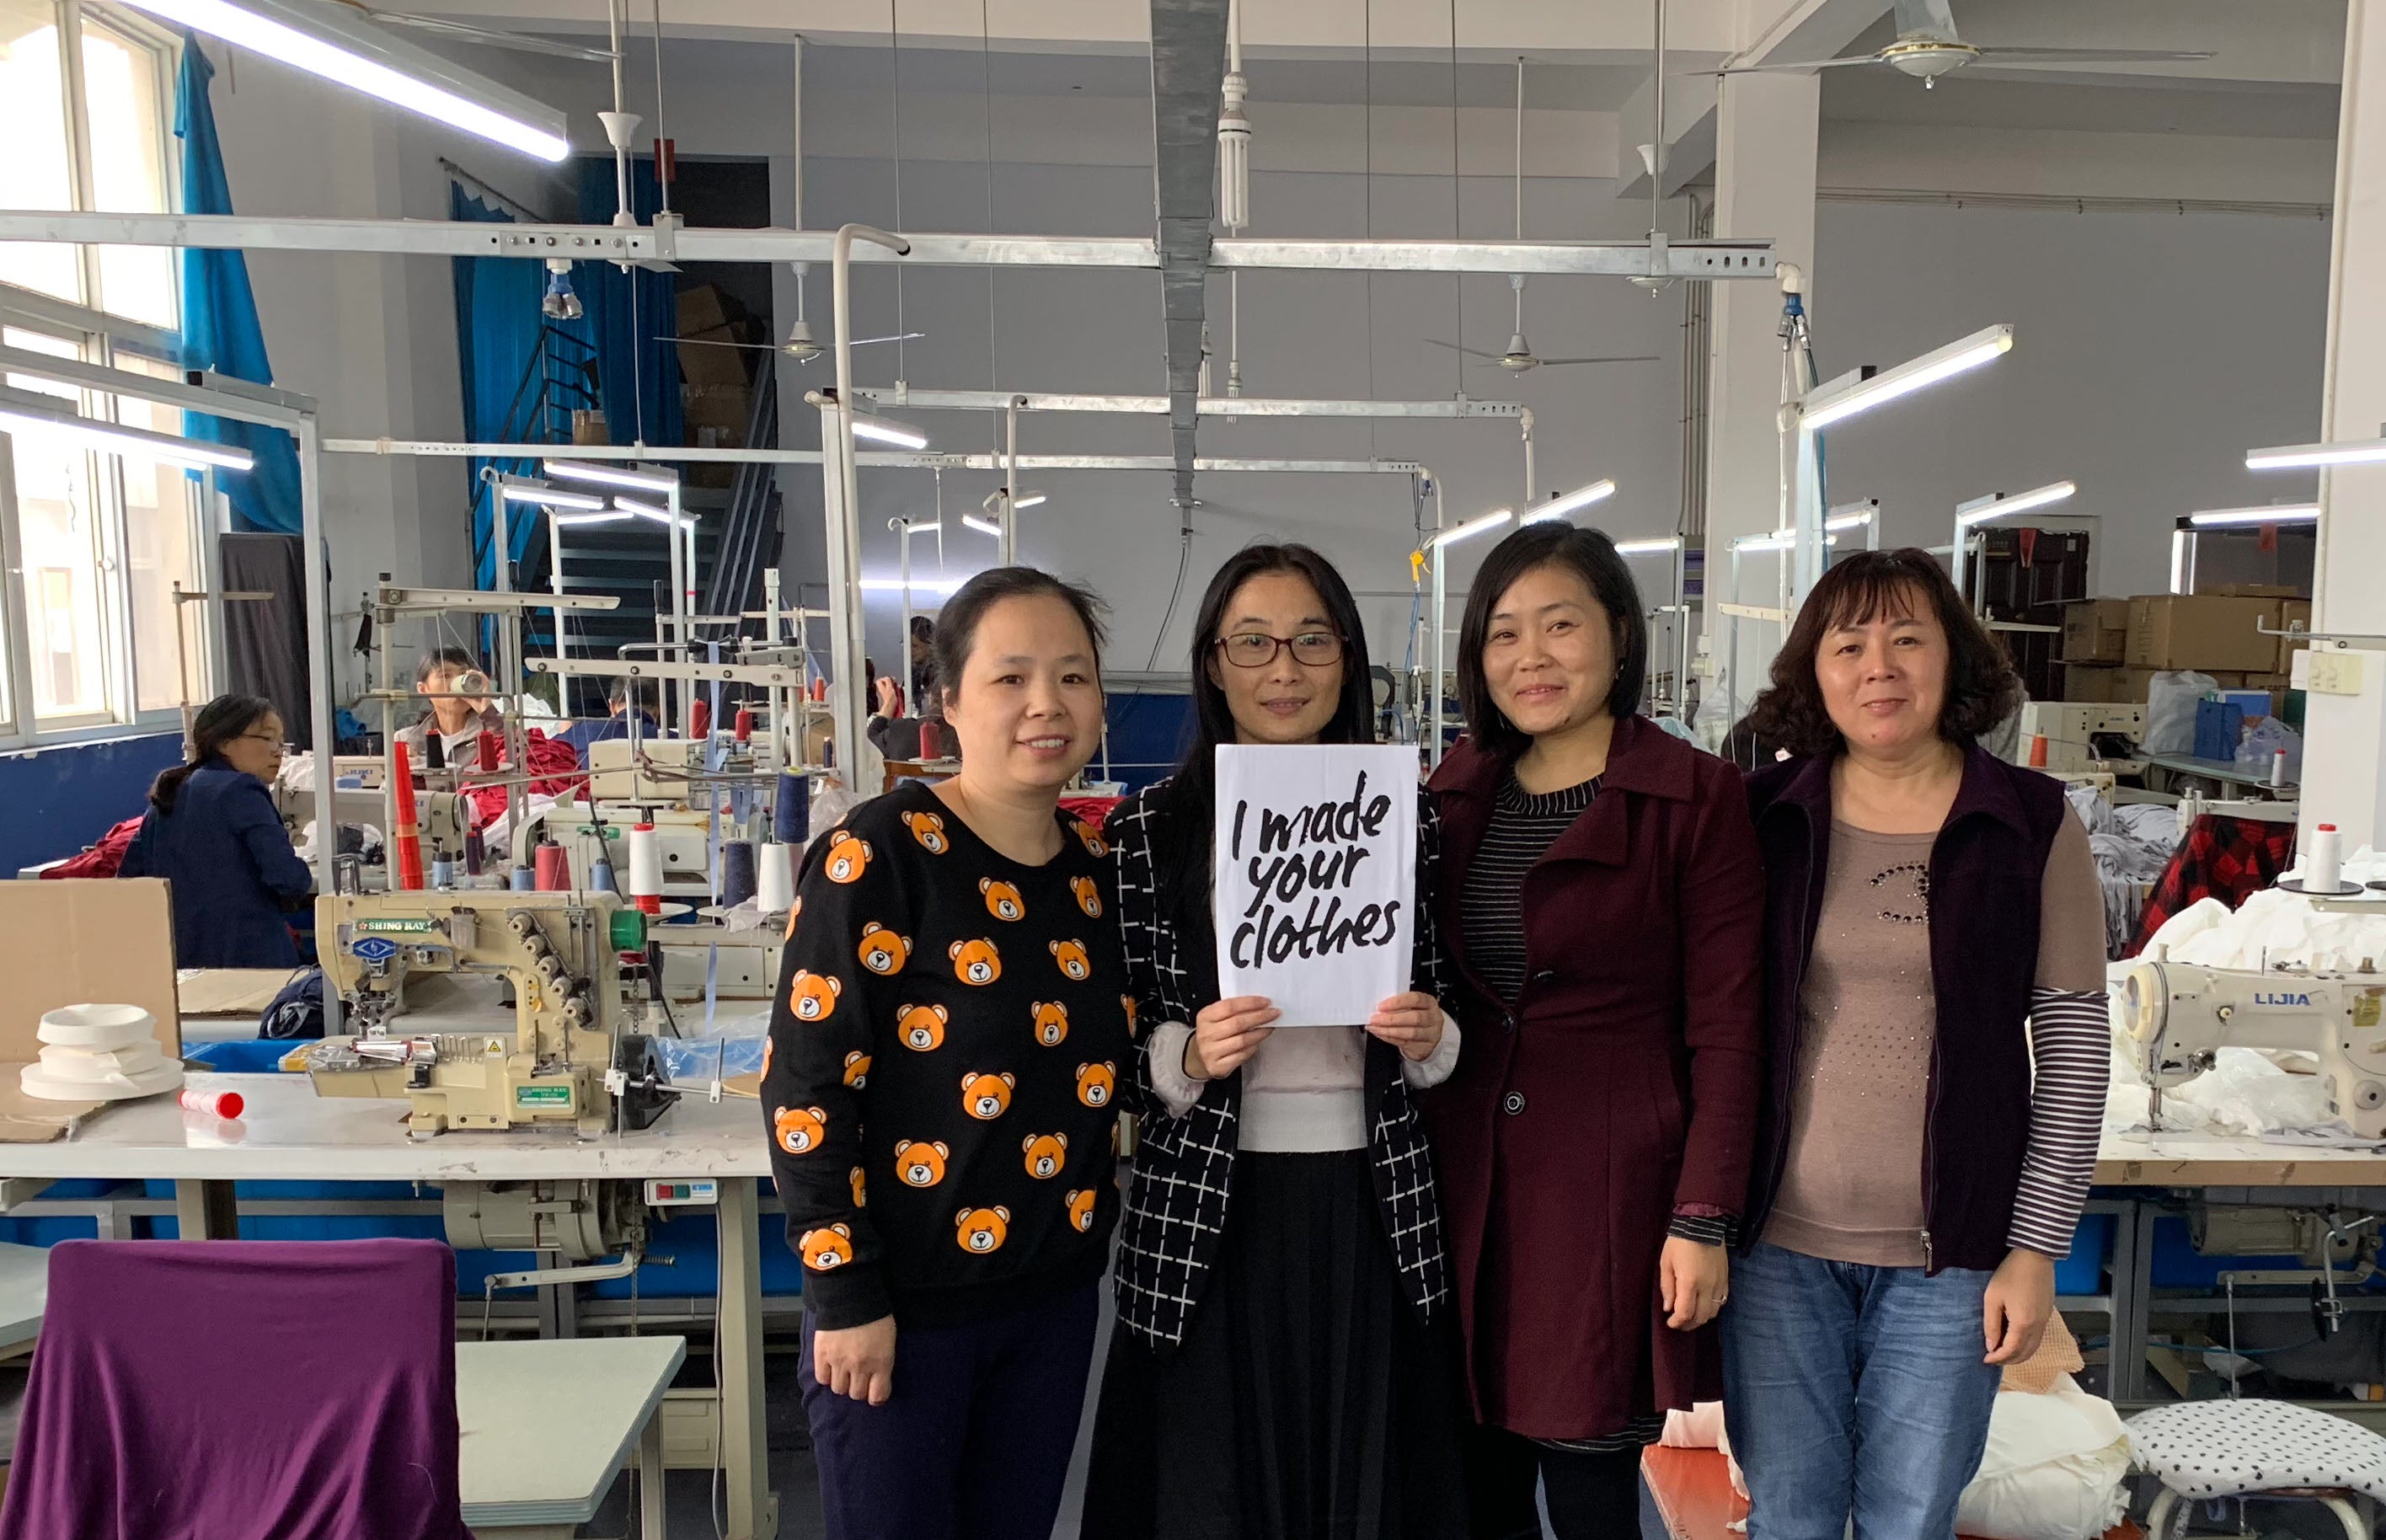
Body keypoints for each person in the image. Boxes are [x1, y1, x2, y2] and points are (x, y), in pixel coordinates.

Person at [1082, 543, 1467, 1540]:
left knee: (1367, 1484)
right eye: (1252, 642)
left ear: (1348, 658)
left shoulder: (1409, 817)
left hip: (1375, 1199)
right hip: (1209, 1204)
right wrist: (1186, 1055)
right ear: (1213, 663)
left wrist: (1432, 1037)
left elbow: (1449, 1001)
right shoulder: (1146, 833)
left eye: (1310, 640)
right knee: (1211, 1490)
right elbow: (1102, 1050)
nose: (1284, 669)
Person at [1725, 548, 2108, 1540]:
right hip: (1775, 1248)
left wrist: (2035, 1249)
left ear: (1954, 658)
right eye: (1849, 644)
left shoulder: (2027, 822)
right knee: (1790, 1520)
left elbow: (2072, 1046)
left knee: (1910, 1521)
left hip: (1953, 1258)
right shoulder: (1766, 818)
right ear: (1816, 669)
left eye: (1907, 638)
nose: (1878, 666)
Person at [762, 567, 1133, 1540]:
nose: (1046, 704)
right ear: (948, 699)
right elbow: (805, 1084)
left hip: (1051, 1306)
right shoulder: (881, 853)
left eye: (1074, 677)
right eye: (1011, 678)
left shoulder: (1096, 882)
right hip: (901, 1311)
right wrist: (842, 1293)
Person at [1426, 521, 1763, 1538]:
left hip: (1611, 1190)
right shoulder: (1449, 794)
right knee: (1469, 1476)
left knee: (1587, 1487)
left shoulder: (1694, 798)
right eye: (1502, 633)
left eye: (1560, 625)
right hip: (1461, 1181)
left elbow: (1732, 1026)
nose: (1530, 657)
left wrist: (1702, 1215)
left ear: (1620, 635)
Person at [119, 694, 313, 968]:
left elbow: (129, 880)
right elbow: (289, 879)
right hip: (250, 964)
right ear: (223, 741)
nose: (277, 751)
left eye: (281, 743)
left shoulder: (169, 793)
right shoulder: (242, 788)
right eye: (268, 738)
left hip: (180, 964)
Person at [396, 647, 503, 770]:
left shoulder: (492, 730)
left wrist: (488, 712)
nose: (456, 681)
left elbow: (521, 757)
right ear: (423, 689)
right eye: (445, 675)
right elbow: (389, 786)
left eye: (463, 674)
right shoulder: (407, 740)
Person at [554, 678, 664, 767]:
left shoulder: (579, 733)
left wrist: (567, 735)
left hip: (592, 794)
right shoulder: (671, 738)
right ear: (657, 711)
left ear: (613, 706)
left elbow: (545, 754)